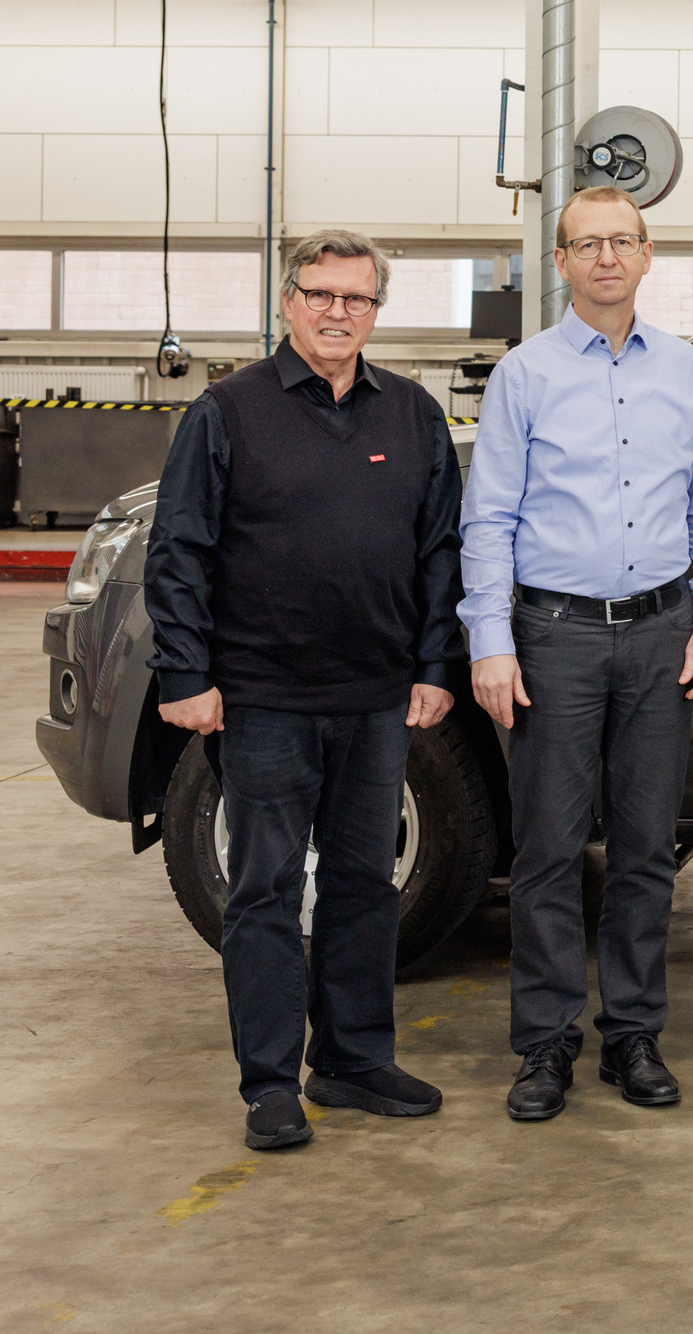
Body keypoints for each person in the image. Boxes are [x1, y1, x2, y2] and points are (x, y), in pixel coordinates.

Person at [143, 230, 463, 1151]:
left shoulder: (410, 414)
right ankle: (271, 1082)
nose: (337, 312)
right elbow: (182, 551)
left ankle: (355, 1059)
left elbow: (438, 550)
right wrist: (186, 674)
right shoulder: (227, 410)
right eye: (319, 294)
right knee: (266, 890)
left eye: (356, 299)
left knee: (365, 884)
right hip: (263, 696)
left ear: (376, 311)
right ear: (288, 302)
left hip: (375, 700)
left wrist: (434, 667)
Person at [462, 187, 693, 1122]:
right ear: (562, 260)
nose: (607, 257)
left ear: (648, 254)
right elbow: (488, 516)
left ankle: (632, 1033)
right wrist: (491, 640)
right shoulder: (525, 375)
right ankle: (544, 1043)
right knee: (545, 850)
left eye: (622, 241)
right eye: (588, 243)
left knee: (646, 847)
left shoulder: (687, 373)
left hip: (663, 632)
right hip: (554, 637)